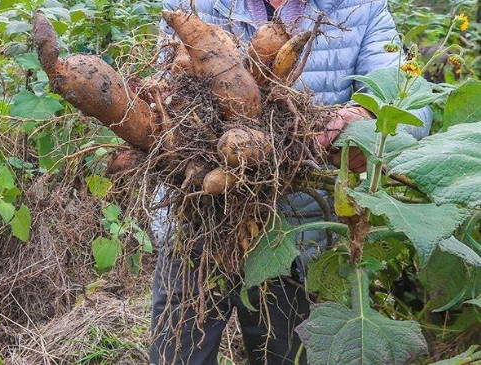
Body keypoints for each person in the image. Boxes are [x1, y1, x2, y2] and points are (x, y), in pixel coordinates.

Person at [150, 1, 433, 364]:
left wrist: (367, 119)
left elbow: (411, 103)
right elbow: (164, 92)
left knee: (284, 354)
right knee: (176, 354)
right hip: (195, 224)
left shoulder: (361, 7)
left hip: (296, 238)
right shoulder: (194, 5)